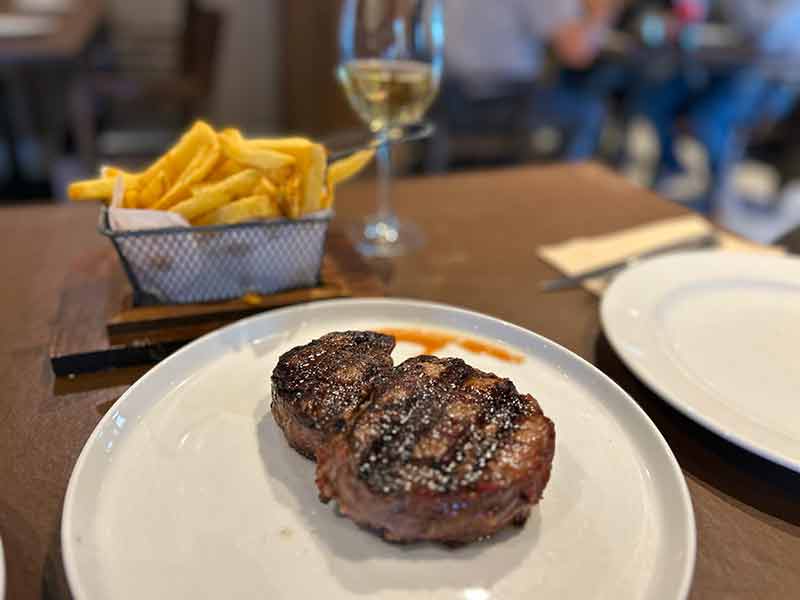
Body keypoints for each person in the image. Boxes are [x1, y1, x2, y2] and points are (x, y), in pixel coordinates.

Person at [636, 0, 800, 208]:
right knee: (658, 99)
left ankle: (717, 194)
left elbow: (763, 36)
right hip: (723, 67)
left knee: (709, 120)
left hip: (771, 80)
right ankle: (670, 165)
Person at [437, 0, 617, 164]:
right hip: (505, 101)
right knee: (590, 112)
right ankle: (563, 190)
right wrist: (602, 10)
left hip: (447, 98)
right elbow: (577, 52)